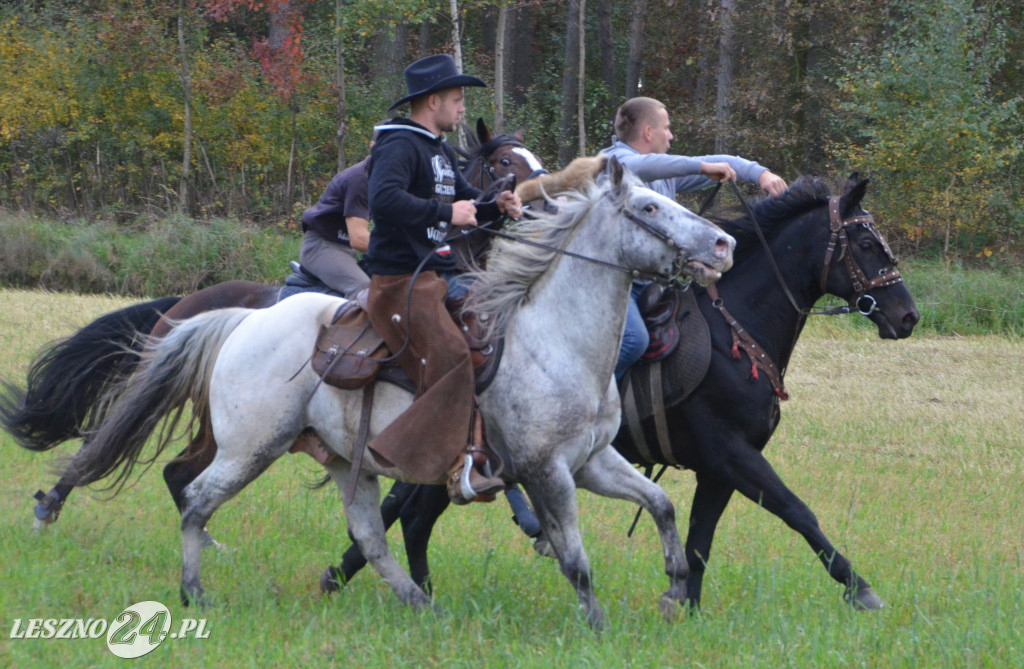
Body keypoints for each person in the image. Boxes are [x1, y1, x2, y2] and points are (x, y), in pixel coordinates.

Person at [363, 54, 522, 505]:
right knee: (453, 353)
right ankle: (452, 463)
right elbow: (384, 201)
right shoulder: (399, 145)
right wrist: (446, 213)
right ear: (432, 101)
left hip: (437, 273)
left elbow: (468, 199)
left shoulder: (439, 149)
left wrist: (497, 204)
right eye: (455, 100)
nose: (460, 109)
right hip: (399, 279)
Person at [602, 96, 789, 381]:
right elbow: (650, 166)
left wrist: (761, 175)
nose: (671, 135)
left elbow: (720, 162)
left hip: (654, 281)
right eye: (666, 128)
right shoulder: (613, 164)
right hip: (615, 282)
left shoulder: (666, 173)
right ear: (648, 133)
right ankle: (593, 409)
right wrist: (700, 167)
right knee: (633, 342)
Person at [298, 136, 377, 298]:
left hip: (346, 250)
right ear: (373, 146)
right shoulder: (360, 179)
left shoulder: (386, 180)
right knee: (363, 289)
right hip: (322, 247)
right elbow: (359, 238)